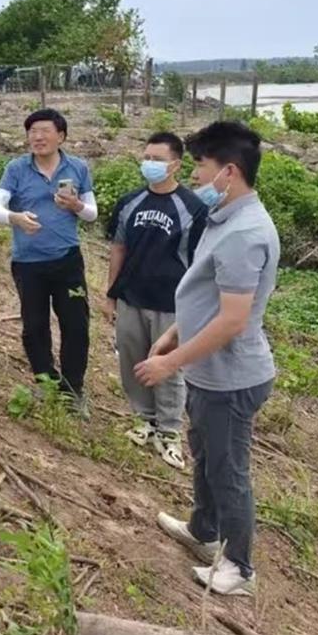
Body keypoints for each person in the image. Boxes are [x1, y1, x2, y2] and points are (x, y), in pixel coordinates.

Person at [134, 121, 279, 596]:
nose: (196, 175)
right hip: (208, 369)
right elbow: (208, 297)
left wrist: (170, 364)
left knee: (228, 469)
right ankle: (203, 531)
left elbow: (233, 319)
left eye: (200, 165)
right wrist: (176, 333)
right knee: (206, 456)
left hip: (231, 377)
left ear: (229, 172)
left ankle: (239, 568)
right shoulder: (227, 220)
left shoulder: (245, 233)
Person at [104, 131, 206, 469]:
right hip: (131, 296)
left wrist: (195, 306)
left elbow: (201, 261)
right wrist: (111, 294)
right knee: (133, 361)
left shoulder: (193, 208)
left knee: (168, 367)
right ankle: (144, 420)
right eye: (146, 157)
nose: (149, 164)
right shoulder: (130, 202)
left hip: (173, 304)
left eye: (157, 159)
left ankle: (170, 431)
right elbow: (118, 248)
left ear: (175, 164)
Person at [0, 109, 97, 415]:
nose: (38, 137)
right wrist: (15, 218)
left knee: (76, 325)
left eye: (45, 131)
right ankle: (45, 382)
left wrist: (76, 205)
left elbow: (92, 213)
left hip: (67, 261)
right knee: (34, 326)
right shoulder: (17, 169)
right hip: (28, 264)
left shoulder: (77, 167)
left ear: (61, 136)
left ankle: (73, 390)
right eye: (32, 131)